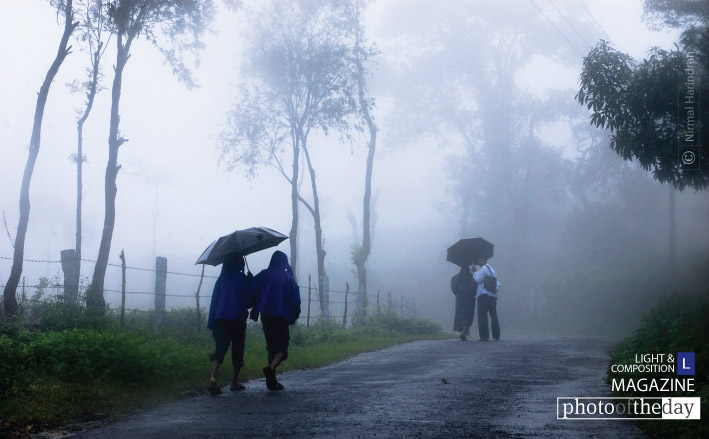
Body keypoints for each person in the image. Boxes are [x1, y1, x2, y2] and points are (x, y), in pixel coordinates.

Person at [251, 250, 301, 391]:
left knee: (271, 346)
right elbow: (295, 299)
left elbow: (252, 290)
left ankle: (272, 382)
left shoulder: (263, 274)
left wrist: (250, 279)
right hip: (281, 315)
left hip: (266, 315)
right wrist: (294, 315)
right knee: (282, 349)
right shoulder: (287, 277)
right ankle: (271, 369)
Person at [207, 254, 255, 395]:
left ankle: (213, 378)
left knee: (220, 349)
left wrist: (212, 324)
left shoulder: (221, 279)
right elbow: (249, 302)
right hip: (238, 319)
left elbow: (214, 302)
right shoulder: (243, 279)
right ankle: (234, 383)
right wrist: (250, 282)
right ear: (240, 264)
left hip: (221, 319)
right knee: (237, 350)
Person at [473, 257, 501, 341]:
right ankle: (496, 335)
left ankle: (484, 336)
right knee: (493, 315)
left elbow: (478, 279)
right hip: (493, 295)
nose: (479, 262)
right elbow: (498, 283)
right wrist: (497, 289)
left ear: (484, 260)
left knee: (482, 315)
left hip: (484, 294)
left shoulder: (484, 268)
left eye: (480, 260)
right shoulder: (493, 270)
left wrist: (474, 272)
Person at [451, 265, 476, 341]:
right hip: (469, 297)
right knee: (468, 314)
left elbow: (453, 288)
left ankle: (462, 331)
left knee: (460, 314)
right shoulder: (472, 277)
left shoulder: (455, 277)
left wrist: (458, 294)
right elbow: (475, 286)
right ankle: (464, 332)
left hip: (459, 298)